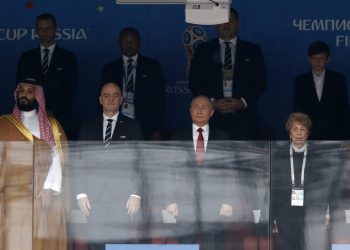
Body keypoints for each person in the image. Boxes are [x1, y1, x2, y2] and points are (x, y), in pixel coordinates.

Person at [0, 78, 68, 250]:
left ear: (38, 96)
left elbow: (59, 155)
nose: (24, 94)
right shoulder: (4, 124)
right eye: (21, 90)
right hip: (14, 196)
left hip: (44, 195)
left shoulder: (51, 125)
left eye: (30, 91)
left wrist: (49, 188)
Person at [74, 82, 143, 249]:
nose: (111, 99)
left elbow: (140, 162)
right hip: (93, 198)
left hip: (123, 198)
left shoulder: (133, 126)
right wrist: (80, 193)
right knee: (96, 243)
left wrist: (136, 194)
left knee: (120, 243)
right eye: (106, 95)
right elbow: (79, 161)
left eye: (115, 96)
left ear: (121, 99)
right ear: (100, 100)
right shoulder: (87, 126)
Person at [167, 95, 236, 249]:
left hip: (214, 203)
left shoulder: (223, 137)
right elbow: (169, 171)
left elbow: (230, 171)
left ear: (211, 112)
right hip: (184, 203)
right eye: (196, 107)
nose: (199, 110)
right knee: (185, 245)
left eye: (204, 107)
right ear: (190, 111)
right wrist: (171, 200)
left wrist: (227, 201)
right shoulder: (177, 137)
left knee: (214, 245)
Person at [189, 8, 267, 140]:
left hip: (245, 118)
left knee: (245, 160)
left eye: (230, 21)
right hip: (212, 118)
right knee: (214, 159)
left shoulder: (252, 50)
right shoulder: (203, 50)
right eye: (222, 21)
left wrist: (242, 102)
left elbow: (261, 82)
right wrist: (211, 103)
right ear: (216, 24)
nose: (226, 25)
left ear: (238, 24)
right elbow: (194, 82)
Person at [271, 112, 337, 250]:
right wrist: (273, 220)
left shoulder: (318, 157)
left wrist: (328, 214)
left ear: (308, 134)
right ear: (289, 134)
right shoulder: (279, 156)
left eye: (303, 129)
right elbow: (273, 190)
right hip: (286, 216)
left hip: (312, 215)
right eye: (295, 129)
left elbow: (326, 188)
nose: (299, 133)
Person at [17, 13, 78, 139]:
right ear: (36, 31)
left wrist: (51, 111)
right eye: (41, 29)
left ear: (56, 29)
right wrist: (38, 111)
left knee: (60, 155)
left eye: (48, 28)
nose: (45, 32)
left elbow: (70, 89)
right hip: (30, 116)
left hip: (60, 117)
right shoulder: (27, 58)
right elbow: (20, 88)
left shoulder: (68, 58)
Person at [100, 27, 165, 140]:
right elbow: (102, 99)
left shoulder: (152, 66)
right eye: (125, 41)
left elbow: (159, 99)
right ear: (119, 44)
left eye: (132, 41)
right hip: (117, 121)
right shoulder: (110, 68)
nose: (129, 44)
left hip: (145, 124)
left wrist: (157, 129)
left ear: (139, 43)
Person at [293, 41, 350, 140]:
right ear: (309, 59)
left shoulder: (338, 79)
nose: (318, 61)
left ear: (328, 59)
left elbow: (343, 110)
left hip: (334, 135)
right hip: (309, 135)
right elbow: (297, 111)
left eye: (321, 58)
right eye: (314, 58)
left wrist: (346, 138)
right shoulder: (300, 81)